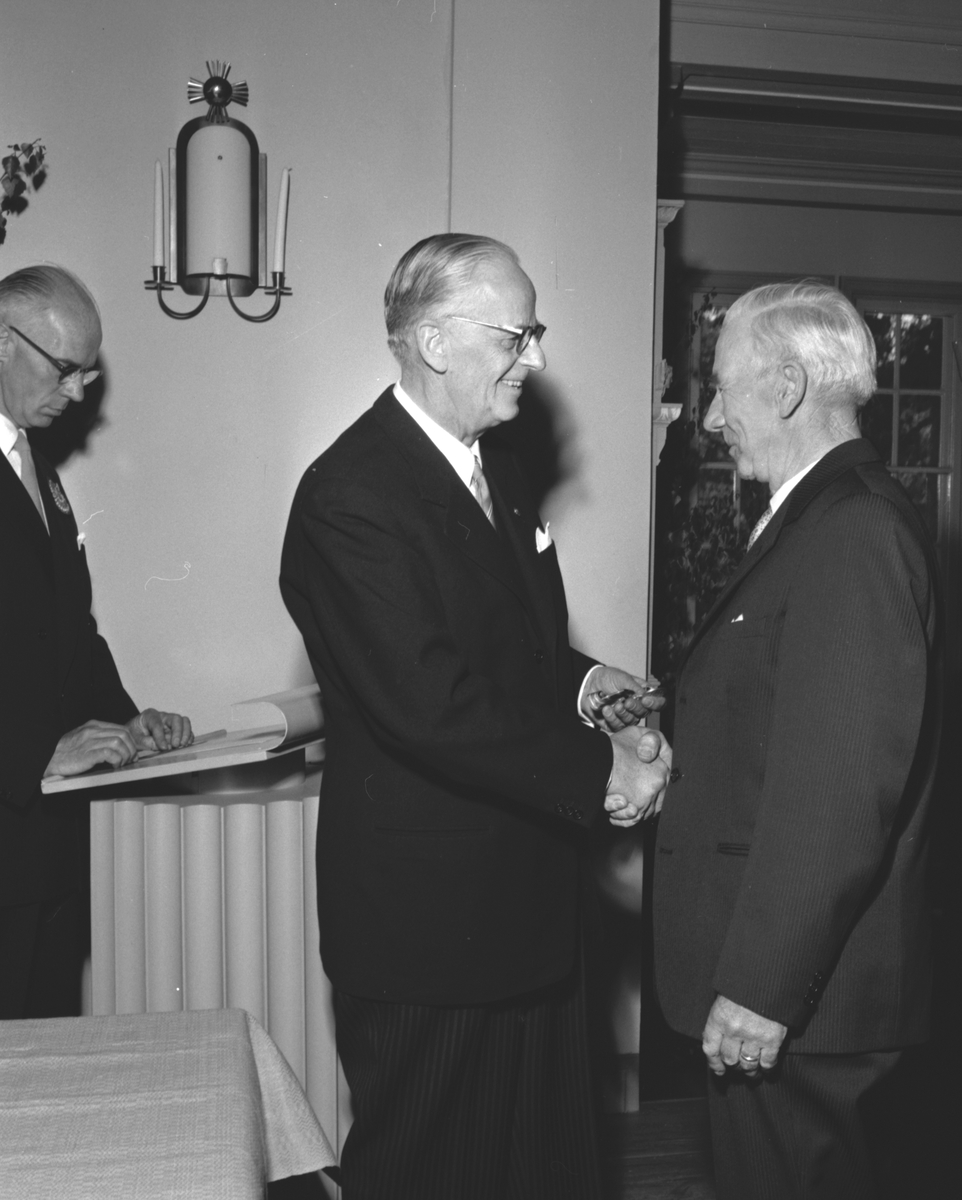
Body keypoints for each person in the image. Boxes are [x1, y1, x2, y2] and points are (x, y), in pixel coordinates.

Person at [280, 233, 670, 1200]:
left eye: (534, 332)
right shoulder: (350, 494)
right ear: (433, 342)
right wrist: (603, 772)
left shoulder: (494, 471)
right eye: (515, 335)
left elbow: (513, 651)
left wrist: (591, 687)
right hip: (432, 930)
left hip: (527, 911)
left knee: (539, 1171)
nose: (535, 358)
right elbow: (429, 703)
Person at [652, 281, 942, 1199]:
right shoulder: (818, 515)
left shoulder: (849, 527)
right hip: (797, 986)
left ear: (784, 387)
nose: (709, 418)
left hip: (799, 996)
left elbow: (838, 790)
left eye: (719, 388)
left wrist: (761, 985)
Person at [0, 264, 193, 1020]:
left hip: (42, 847)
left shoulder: (34, 467)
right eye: (66, 368)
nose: (79, 392)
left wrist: (124, 720)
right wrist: (33, 755)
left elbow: (67, 631)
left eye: (87, 372)